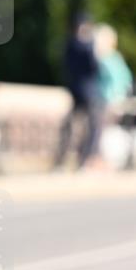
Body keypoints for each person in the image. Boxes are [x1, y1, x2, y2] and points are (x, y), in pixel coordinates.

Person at [53, 13, 103, 170]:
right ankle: (82, 160)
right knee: (91, 127)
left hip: (77, 91)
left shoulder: (70, 44)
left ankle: (65, 160)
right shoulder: (84, 45)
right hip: (86, 92)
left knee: (74, 126)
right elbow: (94, 67)